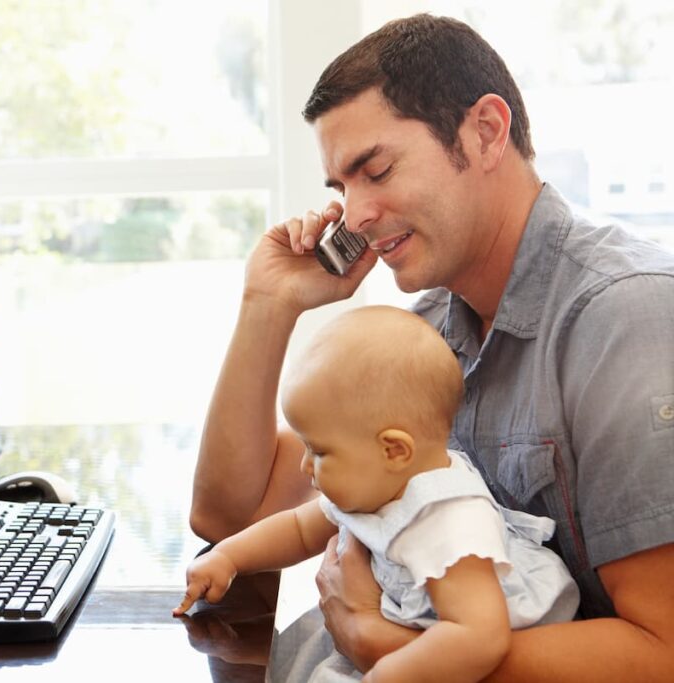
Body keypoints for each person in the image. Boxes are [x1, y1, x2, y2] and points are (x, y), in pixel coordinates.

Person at [189, 13, 674, 681]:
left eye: (376, 169)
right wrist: (267, 307)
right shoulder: (434, 325)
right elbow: (231, 512)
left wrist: (376, 640)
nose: (354, 215)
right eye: (341, 188)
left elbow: (663, 651)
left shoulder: (628, 321)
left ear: (485, 132)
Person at [175, 306, 578, 682]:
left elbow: (479, 639)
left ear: (394, 450)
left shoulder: (450, 525)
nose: (305, 466)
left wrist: (385, 674)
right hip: (394, 633)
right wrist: (228, 557)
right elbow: (299, 529)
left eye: (319, 451)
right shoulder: (381, 483)